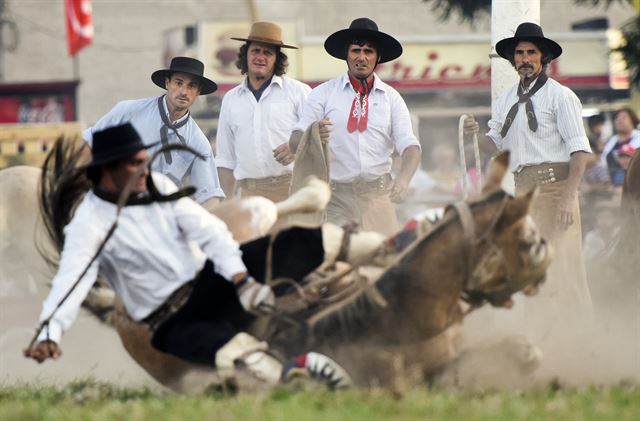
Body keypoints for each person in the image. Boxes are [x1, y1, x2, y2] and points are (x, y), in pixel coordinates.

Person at [23, 123, 351, 388]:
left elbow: (209, 228)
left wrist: (241, 279)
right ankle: (291, 373)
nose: (142, 170)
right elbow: (71, 282)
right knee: (227, 349)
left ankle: (323, 228)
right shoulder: (90, 225)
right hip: (171, 313)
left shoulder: (161, 184)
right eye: (133, 164)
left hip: (206, 277)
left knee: (273, 243)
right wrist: (50, 333)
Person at [465, 22, 593, 334]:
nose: (524, 58)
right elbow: (494, 146)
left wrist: (568, 198)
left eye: (531, 52)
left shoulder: (560, 97)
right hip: (524, 197)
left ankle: (583, 342)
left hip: (556, 190)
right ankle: (542, 342)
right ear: (513, 59)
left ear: (543, 57)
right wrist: (473, 134)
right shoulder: (506, 99)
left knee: (562, 269)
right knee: (531, 273)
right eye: (519, 53)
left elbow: (580, 153)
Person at [289, 18, 421, 236]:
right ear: (346, 54)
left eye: (368, 51)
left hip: (378, 196)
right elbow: (295, 139)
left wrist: (404, 179)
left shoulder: (392, 98)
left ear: (377, 58)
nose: (361, 57)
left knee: (383, 261)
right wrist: (312, 133)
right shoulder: (322, 94)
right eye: (356, 50)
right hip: (336, 197)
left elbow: (410, 147)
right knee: (335, 258)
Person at [83, 57, 224, 211]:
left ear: (198, 92)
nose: (184, 91)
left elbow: (210, 196)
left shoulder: (198, 142)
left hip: (161, 216)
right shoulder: (129, 112)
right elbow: (87, 144)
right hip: (117, 206)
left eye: (192, 86)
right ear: (167, 83)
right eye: (178, 83)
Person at [216, 22, 311, 202]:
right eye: (256, 51)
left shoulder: (299, 92)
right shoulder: (230, 99)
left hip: (290, 190)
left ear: (277, 59)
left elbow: (322, 138)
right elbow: (225, 160)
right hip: (247, 194)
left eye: (268, 53)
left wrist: (297, 148)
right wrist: (226, 202)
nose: (260, 57)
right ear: (246, 55)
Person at [601, 107, 640, 187]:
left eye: (624, 117)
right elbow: (603, 161)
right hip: (612, 183)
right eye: (617, 118)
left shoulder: (638, 138)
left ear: (633, 121)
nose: (619, 120)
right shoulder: (612, 140)